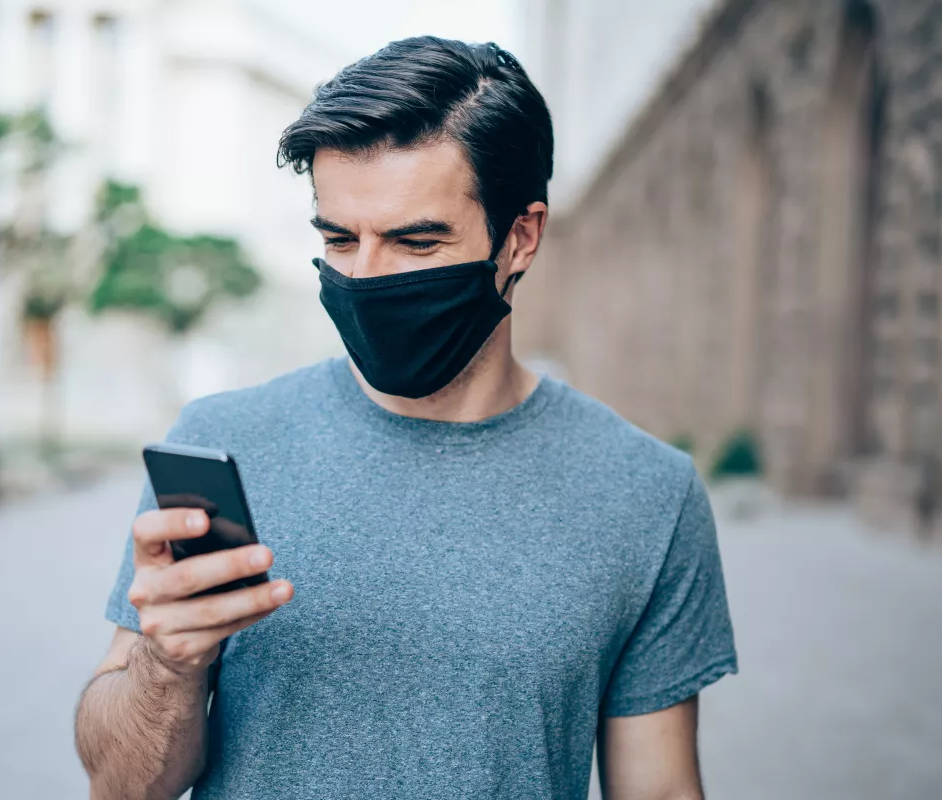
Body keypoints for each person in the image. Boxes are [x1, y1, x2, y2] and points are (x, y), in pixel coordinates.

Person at [74, 36, 737, 800]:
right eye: (337, 239)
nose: (364, 278)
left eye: (415, 241)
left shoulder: (644, 492)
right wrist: (167, 665)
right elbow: (121, 787)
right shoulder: (223, 443)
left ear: (521, 237)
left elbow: (659, 789)